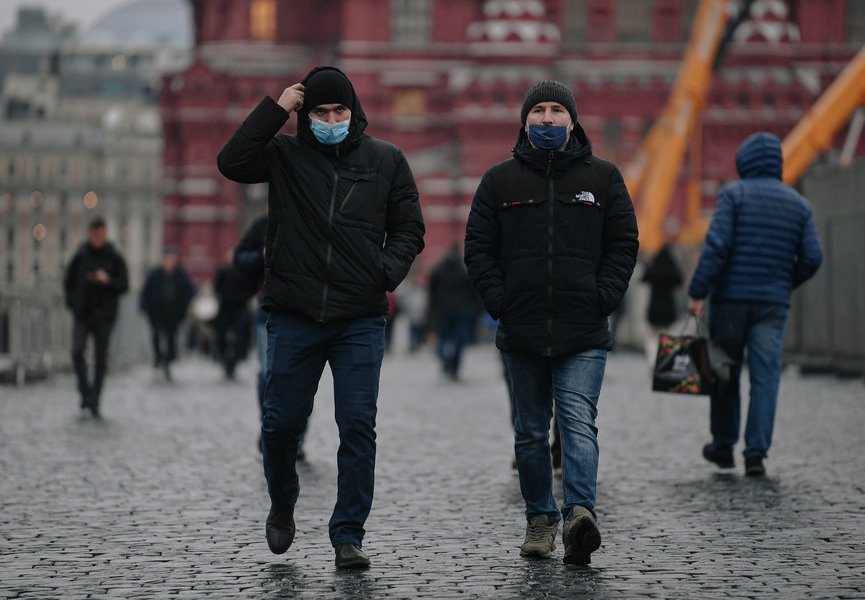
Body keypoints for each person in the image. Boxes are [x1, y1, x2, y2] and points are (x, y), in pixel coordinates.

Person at [217, 66, 425, 569]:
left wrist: (384, 273)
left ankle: (348, 534)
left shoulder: (386, 160)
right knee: (280, 423)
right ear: (305, 115)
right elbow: (231, 161)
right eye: (320, 112)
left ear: (354, 112)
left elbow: (409, 228)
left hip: (359, 317)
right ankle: (282, 500)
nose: (331, 120)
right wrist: (276, 109)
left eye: (339, 111)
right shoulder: (285, 155)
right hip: (295, 311)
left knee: (357, 425)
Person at [465, 80, 638, 565]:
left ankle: (580, 514)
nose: (547, 118)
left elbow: (624, 243)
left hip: (583, 328)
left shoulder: (603, 178)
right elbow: (477, 247)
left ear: (572, 121)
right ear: (524, 122)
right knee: (530, 432)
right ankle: (540, 519)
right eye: (538, 110)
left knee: (578, 422)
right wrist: (501, 301)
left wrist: (603, 298)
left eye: (557, 110)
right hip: (521, 328)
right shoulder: (499, 181)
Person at [687, 132, 822, 477]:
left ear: (744, 162)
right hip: (772, 305)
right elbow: (812, 257)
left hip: (730, 301)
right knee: (766, 378)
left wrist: (698, 291)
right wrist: (785, 283)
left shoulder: (734, 195)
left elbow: (717, 246)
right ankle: (756, 454)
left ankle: (723, 446)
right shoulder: (799, 204)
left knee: (723, 373)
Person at [233, 215, 309, 459]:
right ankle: (269, 426)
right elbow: (239, 259)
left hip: (304, 312)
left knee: (302, 378)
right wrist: (261, 255)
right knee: (268, 373)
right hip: (268, 312)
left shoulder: (312, 218)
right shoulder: (263, 223)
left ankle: (296, 438)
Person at [63, 217, 129, 417]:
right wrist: (73, 304)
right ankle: (85, 392)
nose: (97, 238)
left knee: (100, 359)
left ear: (105, 233)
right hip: (83, 314)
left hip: (105, 316)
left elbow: (124, 285)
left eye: (100, 234)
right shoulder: (81, 256)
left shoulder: (114, 257)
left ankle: (95, 399)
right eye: (94, 234)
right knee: (77, 351)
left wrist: (107, 280)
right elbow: (68, 282)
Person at [139, 247, 195, 380]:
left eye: (171, 260)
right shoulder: (154, 274)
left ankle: (168, 361)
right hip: (156, 312)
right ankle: (158, 358)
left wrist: (185, 304)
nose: (168, 262)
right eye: (166, 259)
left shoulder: (181, 275)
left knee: (171, 339)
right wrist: (143, 307)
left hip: (174, 314)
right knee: (156, 336)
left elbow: (191, 291)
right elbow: (146, 292)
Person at [427, 243, 480, 380]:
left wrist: (432, 308)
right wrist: (475, 308)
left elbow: (432, 290)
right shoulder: (465, 269)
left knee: (442, 337)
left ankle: (445, 357)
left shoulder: (439, 269)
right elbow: (473, 291)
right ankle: (454, 369)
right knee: (460, 339)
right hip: (462, 309)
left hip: (442, 308)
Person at [212, 253, 254, 380]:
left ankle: (236, 360)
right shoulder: (223, 272)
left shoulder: (245, 272)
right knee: (222, 335)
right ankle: (224, 359)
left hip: (240, 309)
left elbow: (250, 289)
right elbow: (217, 288)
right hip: (226, 309)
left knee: (241, 336)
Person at [641, 241, 683, 364]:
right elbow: (680, 281)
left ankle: (652, 358)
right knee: (666, 334)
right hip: (668, 307)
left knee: (653, 334)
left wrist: (649, 263)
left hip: (654, 306)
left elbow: (644, 278)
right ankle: (664, 358)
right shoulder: (672, 268)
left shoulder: (654, 267)